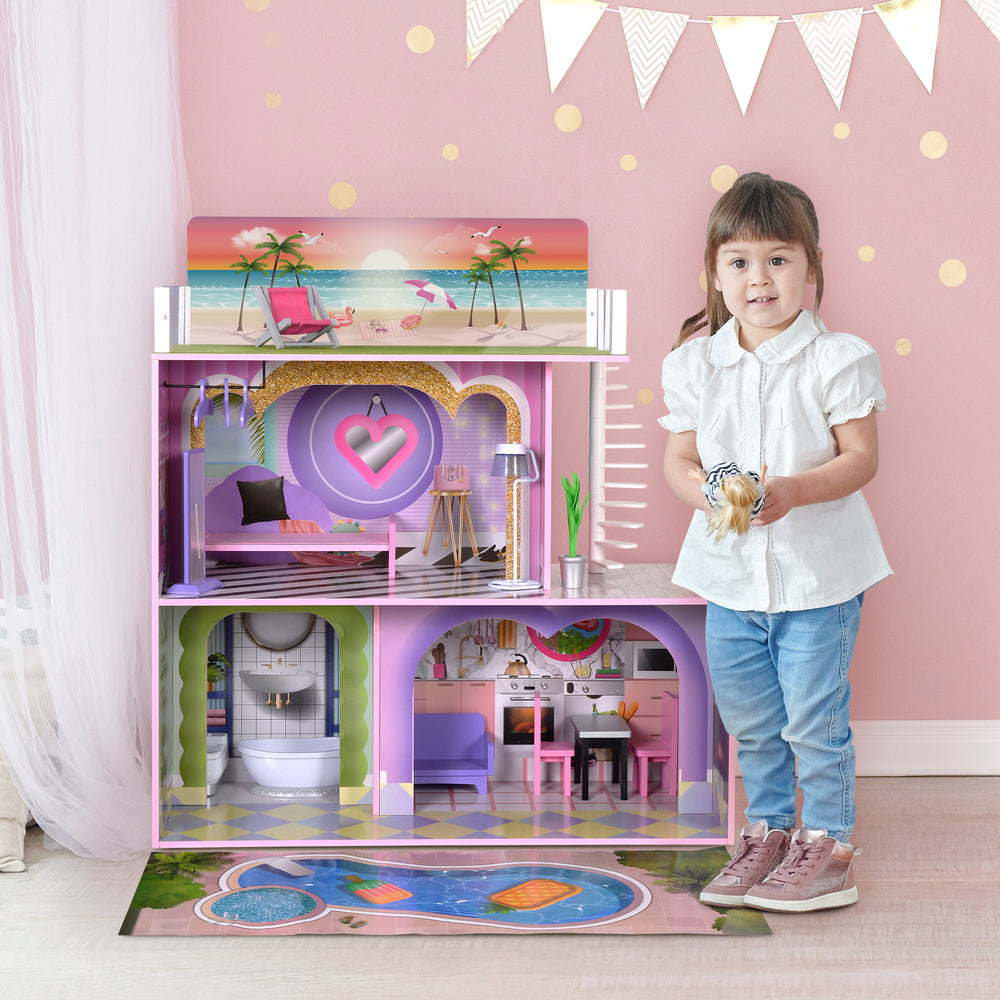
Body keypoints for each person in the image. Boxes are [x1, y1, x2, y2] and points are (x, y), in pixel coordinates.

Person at [660, 172, 891, 912]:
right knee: (753, 720)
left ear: (811, 267)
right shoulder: (696, 363)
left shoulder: (838, 358)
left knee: (813, 721)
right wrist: (708, 493)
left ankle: (828, 847)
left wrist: (792, 490)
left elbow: (861, 459)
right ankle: (767, 831)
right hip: (729, 580)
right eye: (740, 262)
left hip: (817, 580)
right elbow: (678, 460)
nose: (759, 278)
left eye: (779, 259)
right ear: (715, 274)